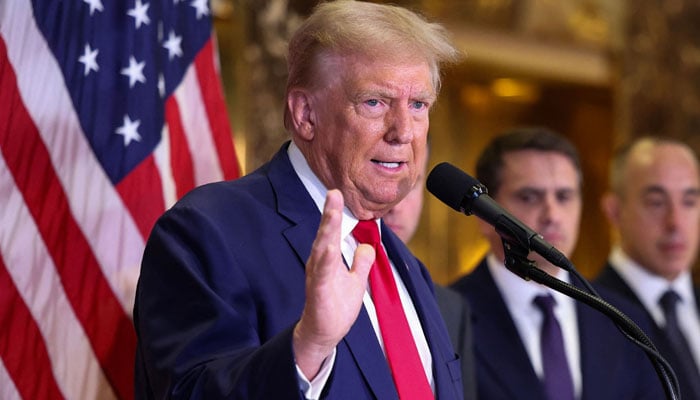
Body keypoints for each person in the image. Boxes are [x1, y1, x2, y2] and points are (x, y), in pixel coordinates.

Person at [133, 1, 464, 399]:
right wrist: (308, 346)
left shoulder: (404, 264)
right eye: (375, 102)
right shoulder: (207, 231)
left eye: (418, 105)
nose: (403, 132)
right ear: (306, 113)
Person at [450, 127, 664, 399]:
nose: (552, 215)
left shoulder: (624, 320)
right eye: (529, 197)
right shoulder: (447, 316)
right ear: (483, 215)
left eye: (564, 197)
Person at [595, 136, 700, 400]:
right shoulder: (592, 313)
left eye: (689, 202)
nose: (675, 223)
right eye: (656, 202)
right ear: (615, 211)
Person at [383, 145, 477, 400]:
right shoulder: (323, 290)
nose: (395, 204)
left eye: (411, 185)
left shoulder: (451, 308)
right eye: (384, 176)